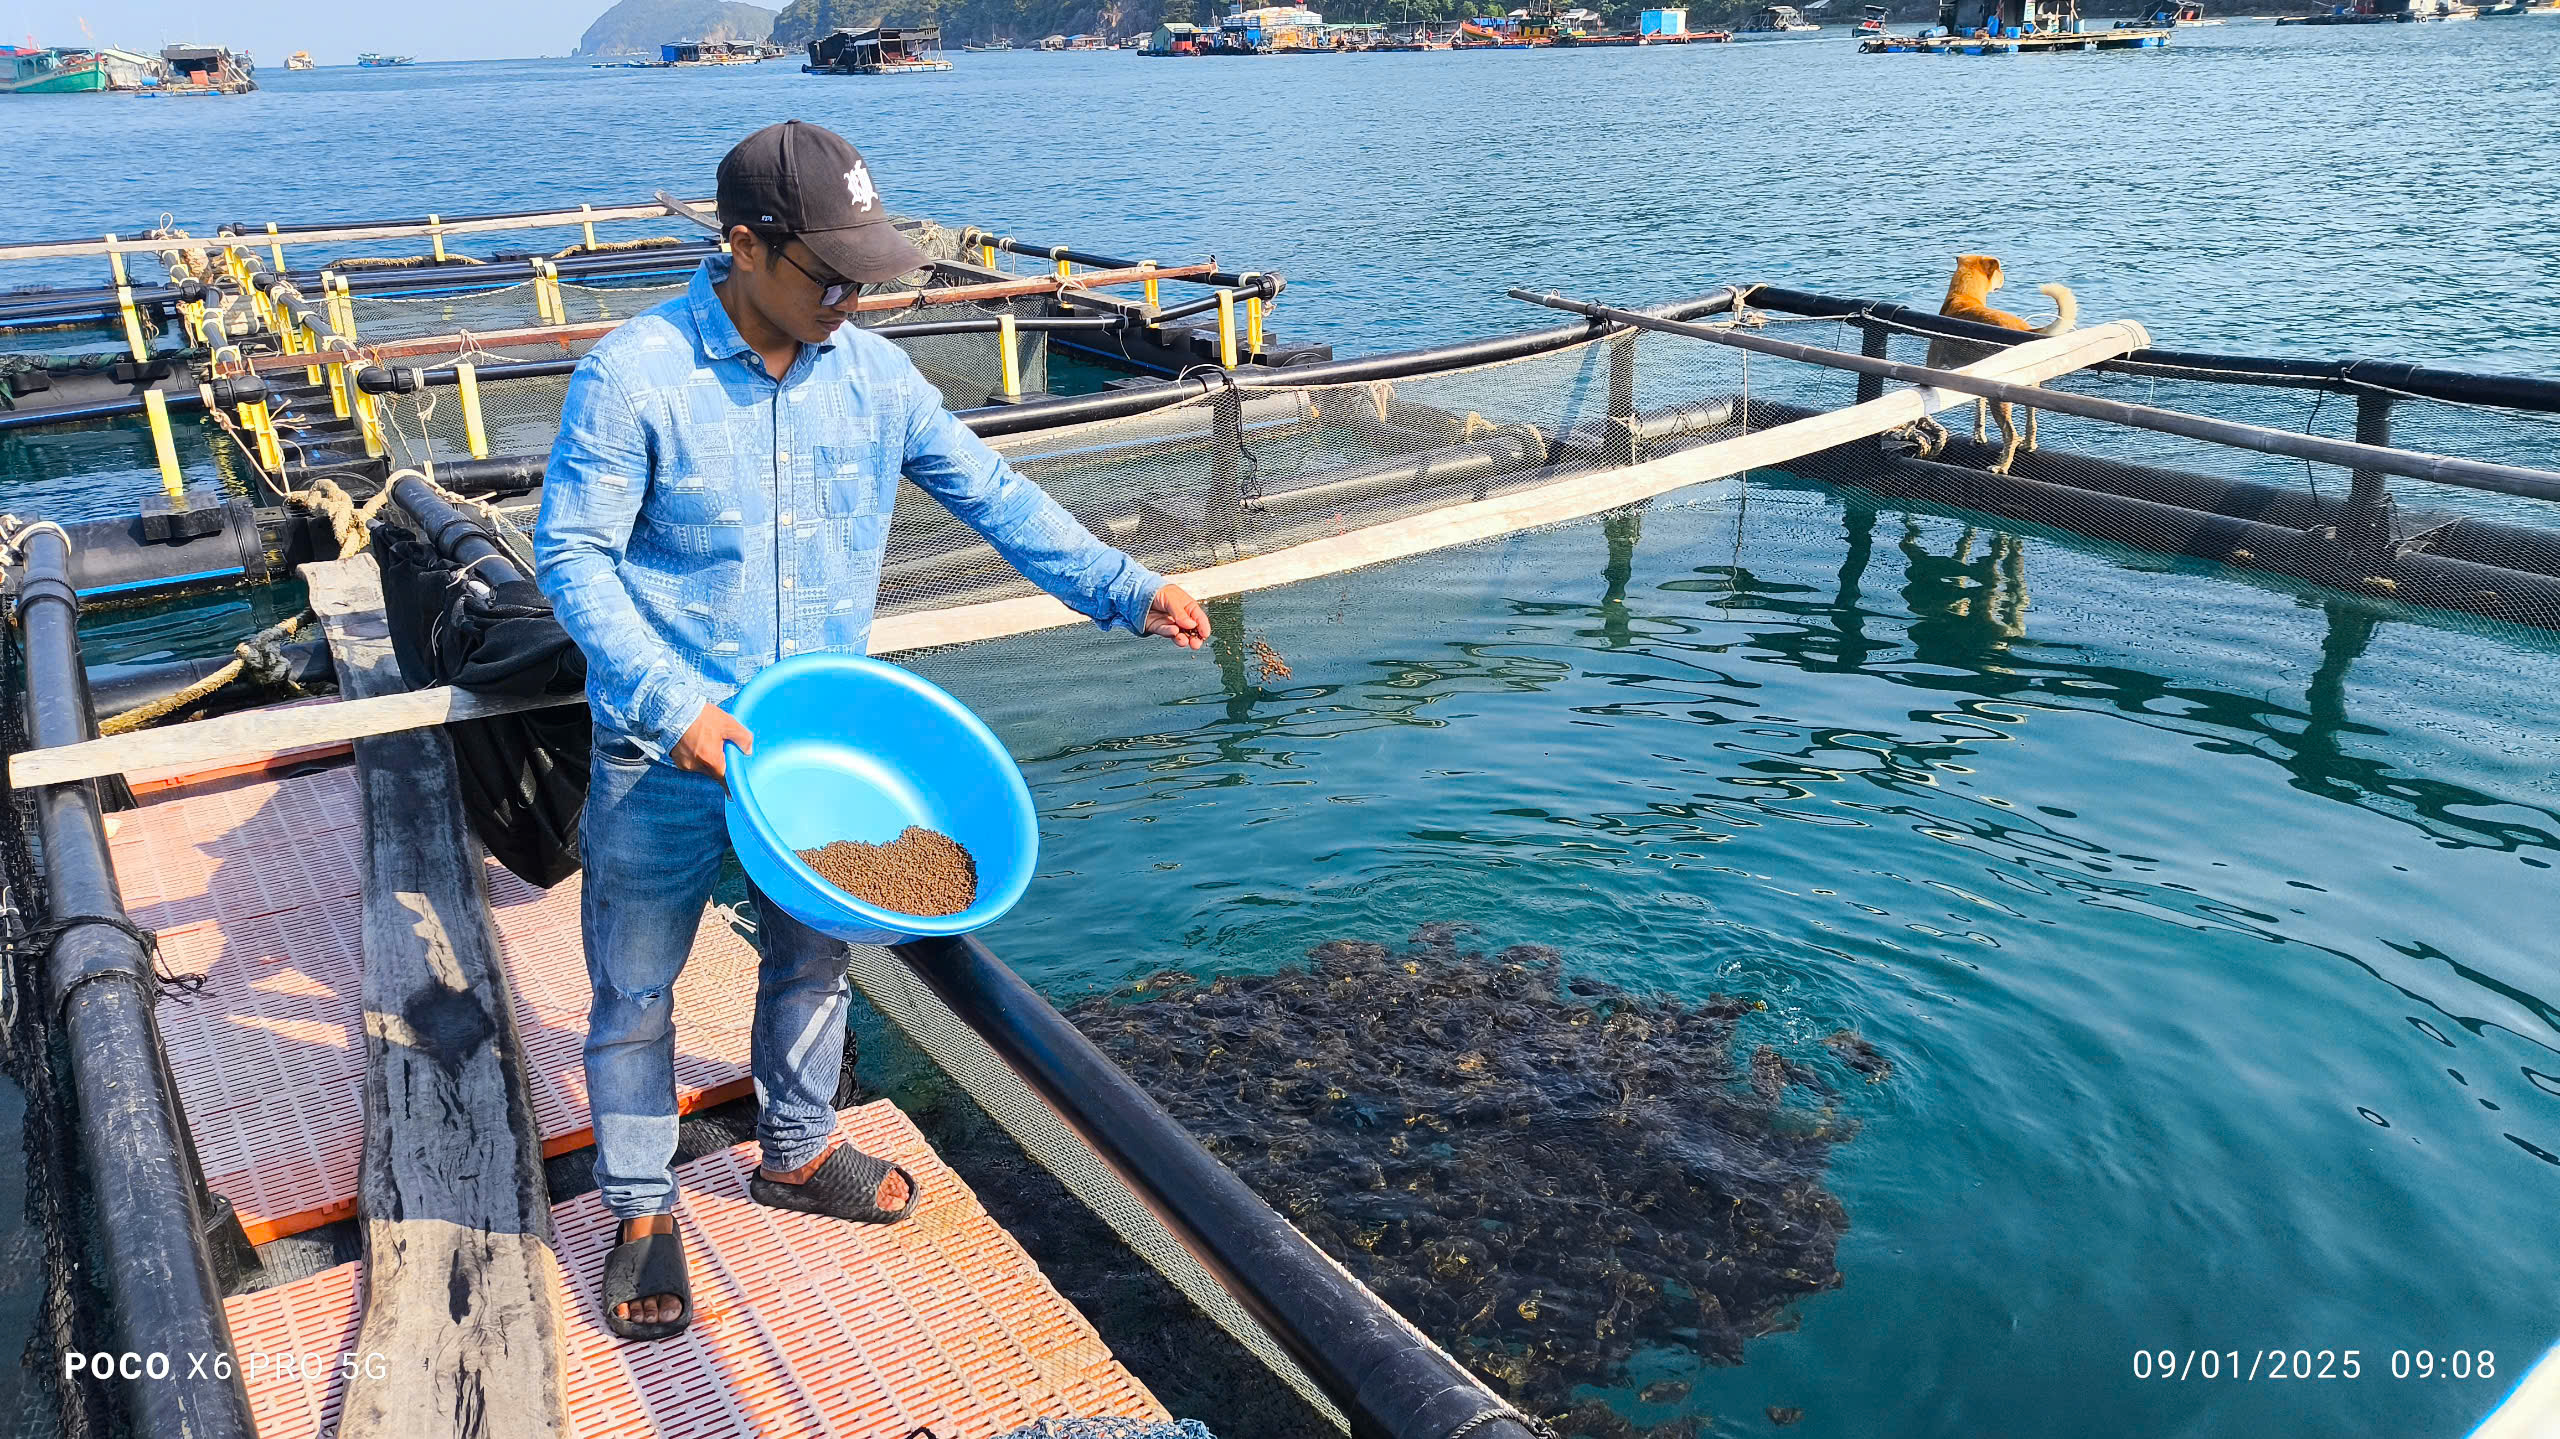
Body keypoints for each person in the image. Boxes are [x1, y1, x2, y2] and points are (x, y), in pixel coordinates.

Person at [534, 119, 1212, 1342]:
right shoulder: (634, 377)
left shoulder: (874, 377)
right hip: (665, 752)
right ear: (743, 245)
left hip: (817, 757)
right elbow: (571, 555)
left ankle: (794, 1149)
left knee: (815, 958)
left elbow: (997, 498)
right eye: (827, 274)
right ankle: (640, 1203)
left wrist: (1125, 586)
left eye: (864, 275)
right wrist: (669, 702)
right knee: (634, 990)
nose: (850, 297)